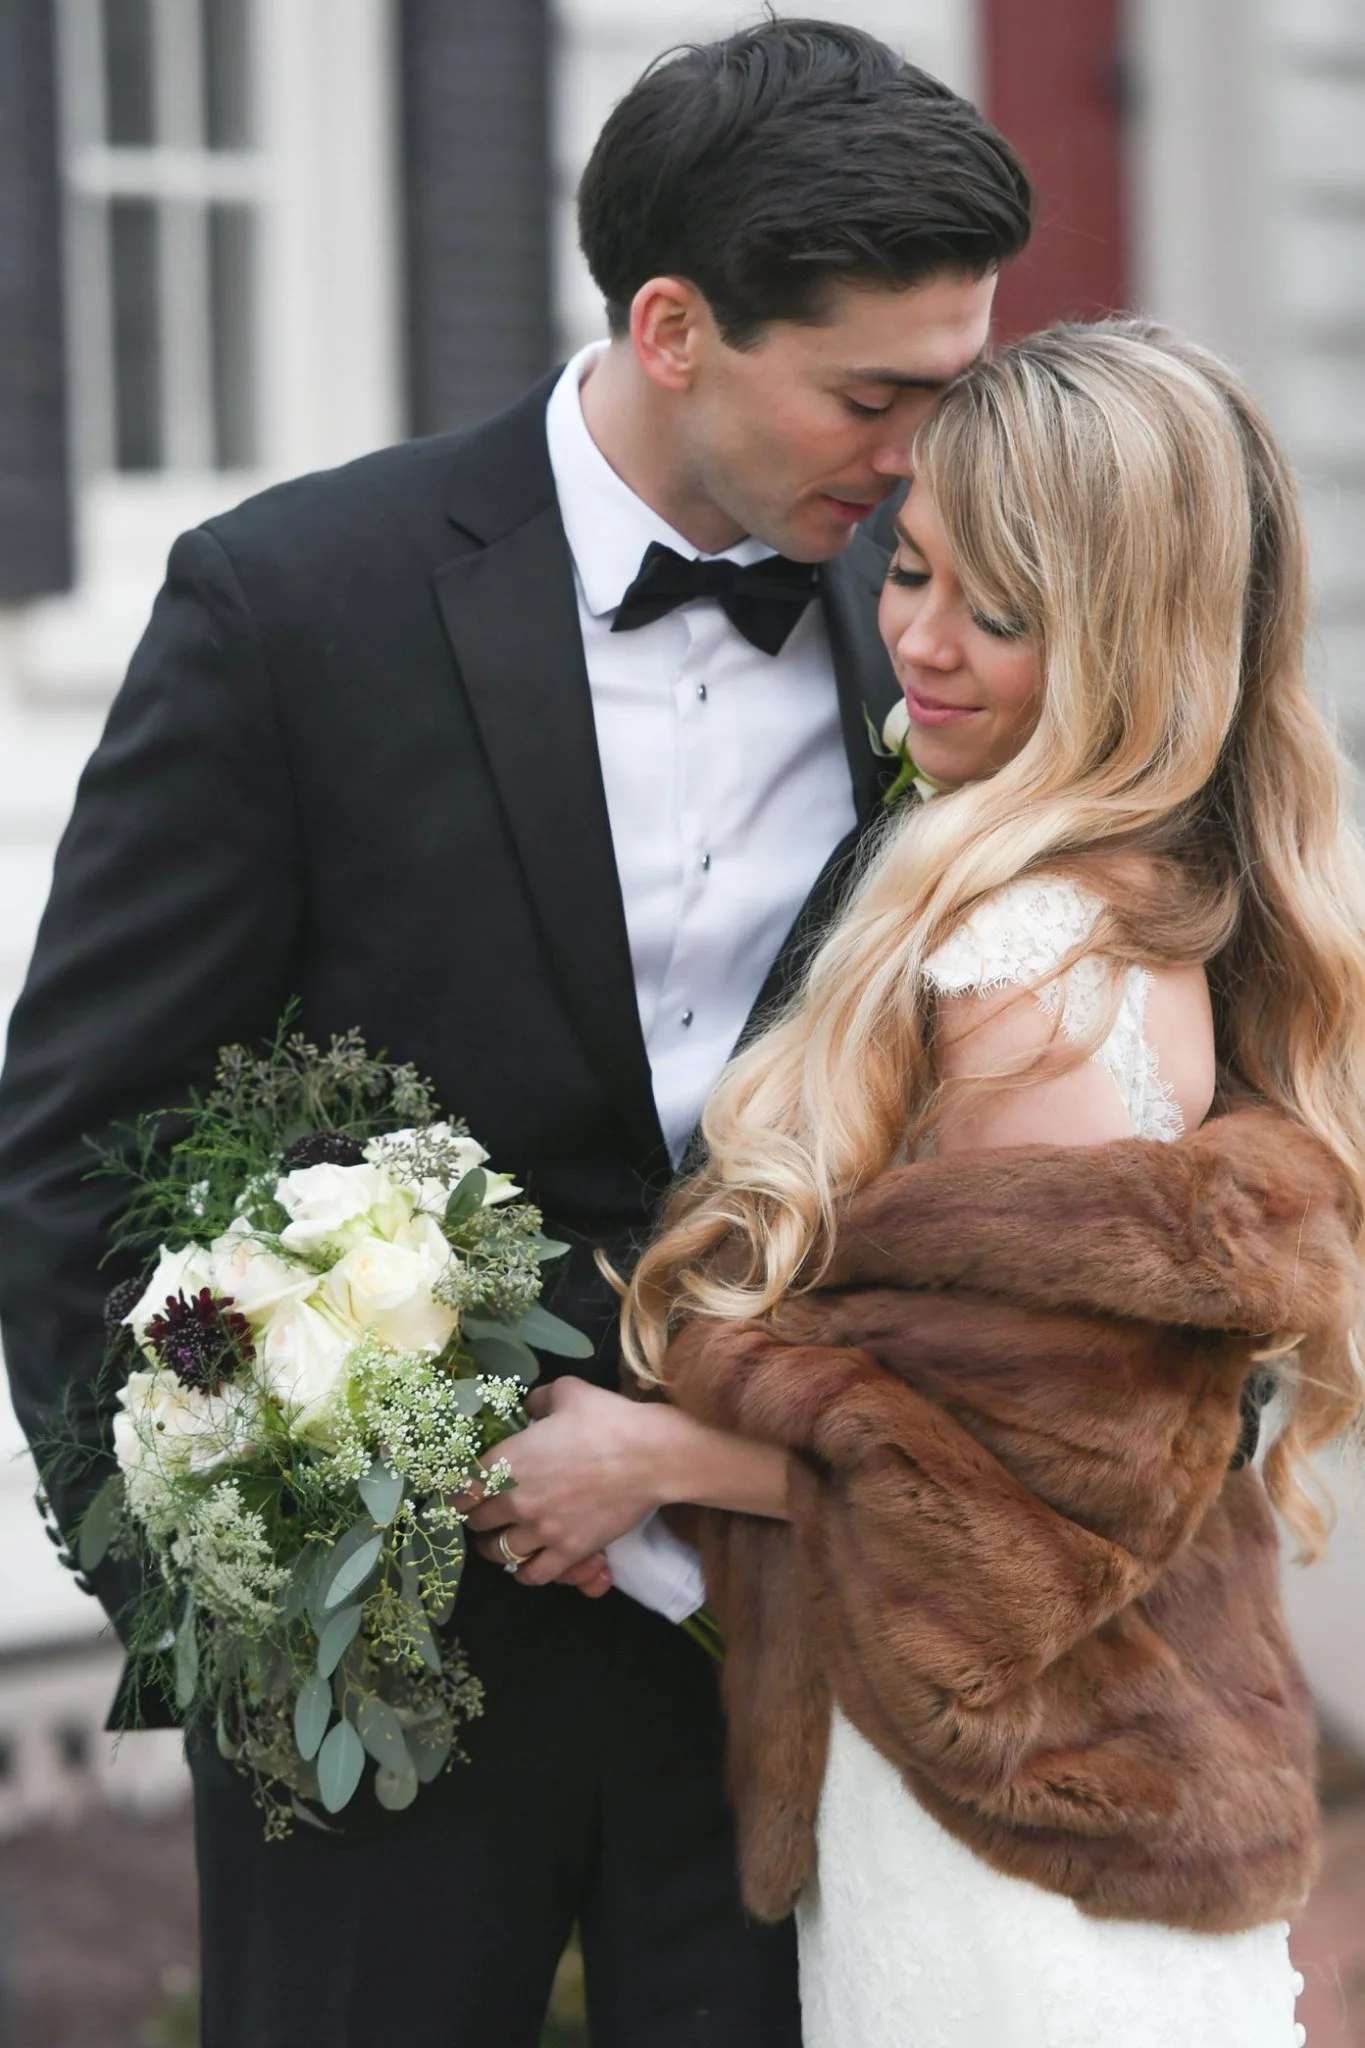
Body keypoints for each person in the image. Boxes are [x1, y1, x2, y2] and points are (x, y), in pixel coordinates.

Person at [0, 20, 1030, 2048]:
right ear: (672, 325)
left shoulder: (931, 631)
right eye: (872, 392)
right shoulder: (290, 603)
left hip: (789, 1662)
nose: (922, 452)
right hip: (389, 1683)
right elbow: (75, 1145)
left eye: (952, 387)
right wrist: (224, 1599)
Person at [621, 320, 1365, 2047]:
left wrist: (646, 1451)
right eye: (915, 570)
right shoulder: (1119, 901)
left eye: (1000, 617)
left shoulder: (1037, 962)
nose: (919, 646)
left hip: (1024, 1828)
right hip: (1033, 1791)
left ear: (1129, 647)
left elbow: (1020, 1532)